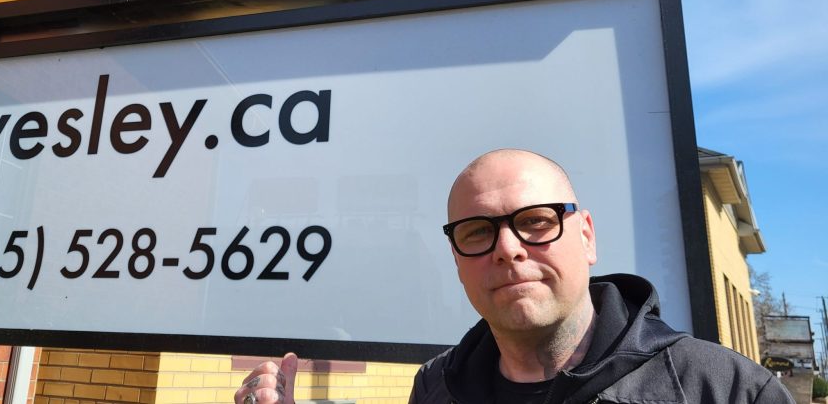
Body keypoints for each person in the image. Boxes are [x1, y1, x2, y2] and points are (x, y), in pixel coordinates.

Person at [234, 149, 793, 403]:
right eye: (477, 231)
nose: (508, 250)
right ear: (456, 259)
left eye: (534, 222)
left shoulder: (724, 390)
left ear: (586, 235)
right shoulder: (437, 390)